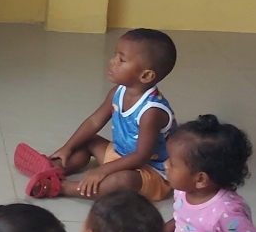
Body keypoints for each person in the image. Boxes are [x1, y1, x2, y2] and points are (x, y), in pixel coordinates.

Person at [16, 29, 178, 202]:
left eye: (121, 60)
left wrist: (102, 170)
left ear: (145, 76)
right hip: (121, 155)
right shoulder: (117, 92)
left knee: (122, 181)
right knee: (88, 140)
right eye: (115, 55)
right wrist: (68, 147)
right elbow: (94, 121)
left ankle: (62, 187)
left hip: (149, 172)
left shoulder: (151, 112)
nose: (112, 61)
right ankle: (55, 167)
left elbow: (140, 156)